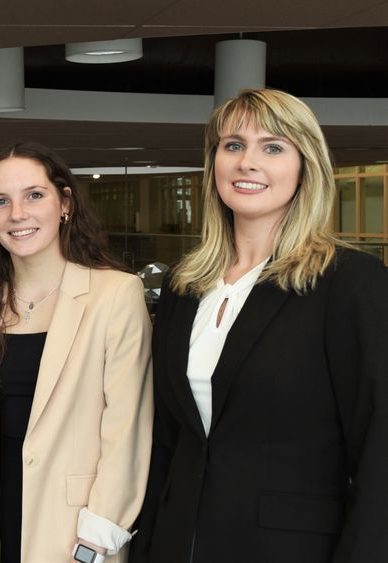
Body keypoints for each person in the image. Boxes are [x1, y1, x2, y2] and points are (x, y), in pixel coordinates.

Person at [129, 88, 388, 563]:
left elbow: (380, 448)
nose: (248, 161)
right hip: (177, 543)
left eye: (273, 147)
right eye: (233, 145)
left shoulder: (348, 282)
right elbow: (168, 440)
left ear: (305, 166)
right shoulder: (185, 286)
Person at [0, 141, 153, 563]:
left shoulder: (116, 294)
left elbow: (127, 435)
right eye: (1, 201)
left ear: (64, 202)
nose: (18, 214)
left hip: (76, 538)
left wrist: (91, 549)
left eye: (34, 195)